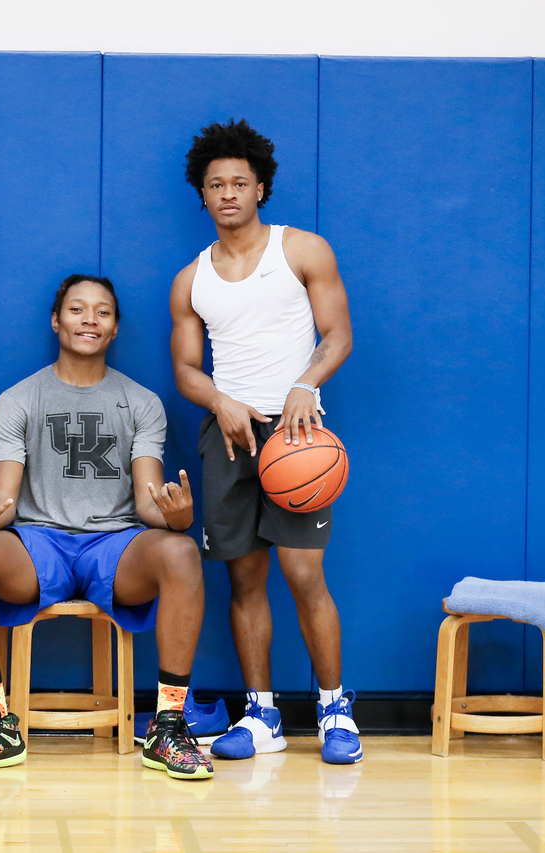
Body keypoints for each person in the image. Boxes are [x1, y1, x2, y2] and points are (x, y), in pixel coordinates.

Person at [0, 275, 213, 781]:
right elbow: (3, 501)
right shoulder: (18, 399)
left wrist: (176, 517)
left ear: (115, 328)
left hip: (117, 545)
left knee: (181, 551)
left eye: (102, 312)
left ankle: (168, 727)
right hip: (39, 543)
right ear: (55, 320)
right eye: (77, 309)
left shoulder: (142, 402)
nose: (90, 319)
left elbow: (149, 502)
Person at [169, 119, 361, 765]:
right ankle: (262, 715)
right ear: (202, 193)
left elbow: (338, 335)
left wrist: (306, 384)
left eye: (239, 182)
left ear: (260, 189)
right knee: (245, 579)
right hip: (228, 434)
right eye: (215, 184)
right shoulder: (191, 279)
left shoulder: (302, 250)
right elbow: (186, 370)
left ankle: (334, 709)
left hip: (298, 435)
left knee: (305, 573)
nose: (227, 193)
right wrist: (220, 400)